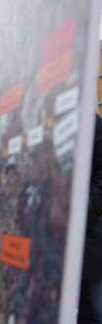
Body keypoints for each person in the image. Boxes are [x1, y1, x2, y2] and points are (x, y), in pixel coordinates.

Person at [79, 114, 102, 323]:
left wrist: (83, 208)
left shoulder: (90, 119)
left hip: (92, 236)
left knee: (97, 310)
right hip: (62, 242)